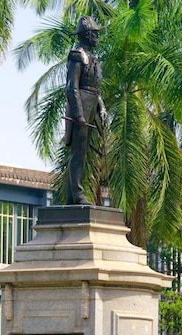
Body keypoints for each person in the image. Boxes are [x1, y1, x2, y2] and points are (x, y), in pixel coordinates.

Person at [64, 15, 106, 205]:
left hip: (91, 106)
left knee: (82, 153)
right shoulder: (77, 55)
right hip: (80, 106)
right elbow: (72, 87)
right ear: (87, 34)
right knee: (78, 154)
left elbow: (95, 89)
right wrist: (79, 114)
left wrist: (101, 108)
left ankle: (71, 196)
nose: (97, 37)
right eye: (95, 33)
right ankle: (77, 194)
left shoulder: (93, 59)